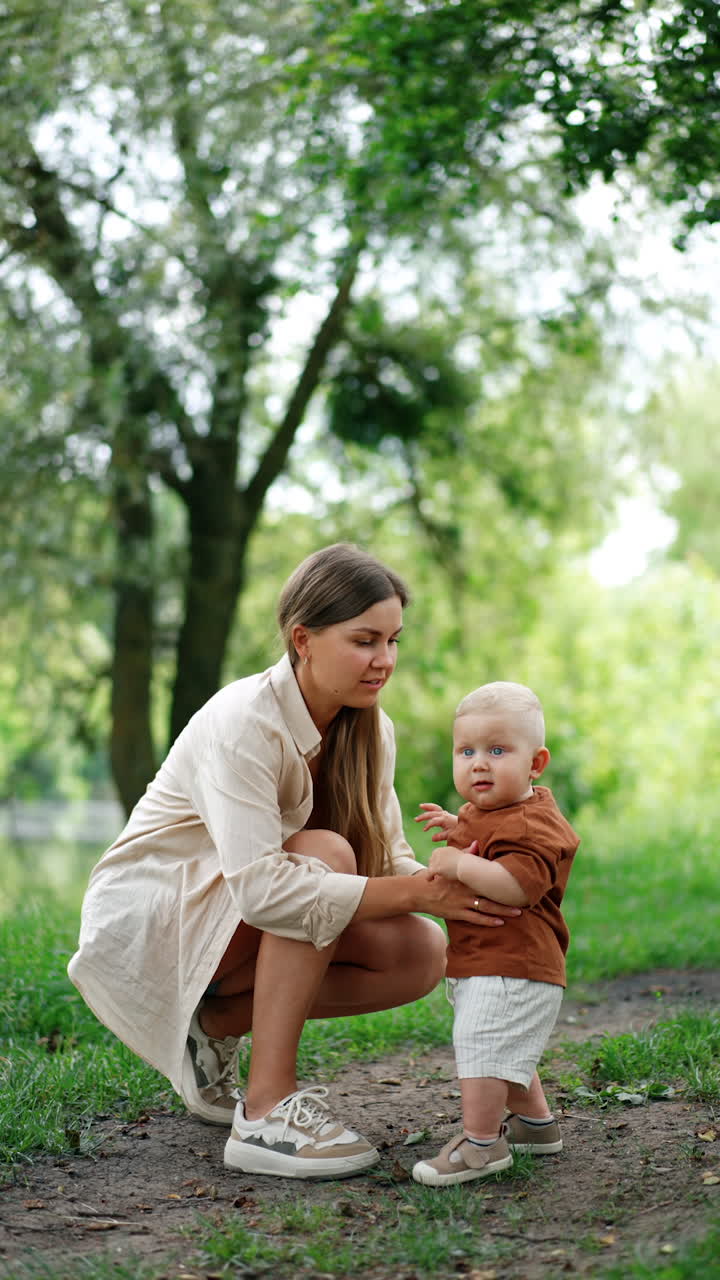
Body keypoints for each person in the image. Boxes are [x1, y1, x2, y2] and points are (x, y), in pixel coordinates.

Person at [68, 543, 520, 1181]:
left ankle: (217, 1025)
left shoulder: (368, 728)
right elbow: (263, 892)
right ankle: (266, 1114)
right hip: (153, 919)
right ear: (303, 639)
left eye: (393, 640)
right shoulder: (243, 722)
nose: (384, 660)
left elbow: (390, 857)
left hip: (233, 923)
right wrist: (418, 893)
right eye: (365, 641)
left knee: (420, 950)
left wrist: (462, 888)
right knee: (324, 855)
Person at [410, 680, 579, 1188]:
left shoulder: (534, 825)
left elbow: (516, 885)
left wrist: (459, 863)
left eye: (497, 750)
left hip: (515, 966)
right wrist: (455, 830)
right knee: (502, 1047)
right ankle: (534, 1126)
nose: (479, 763)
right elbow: (484, 839)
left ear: (536, 763)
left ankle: (482, 1144)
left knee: (483, 1047)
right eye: (467, 751)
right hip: (489, 963)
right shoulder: (492, 811)